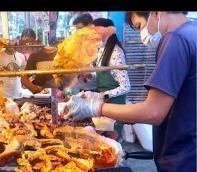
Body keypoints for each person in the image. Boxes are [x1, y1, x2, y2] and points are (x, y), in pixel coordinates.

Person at [61, 12, 196, 171]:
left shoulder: (176, 39)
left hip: (182, 157)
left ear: (156, 13)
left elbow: (153, 112)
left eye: (139, 26)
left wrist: (94, 107)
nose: (141, 36)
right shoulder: (192, 32)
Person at [81, 18, 131, 140]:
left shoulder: (116, 53)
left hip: (116, 104)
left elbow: (126, 86)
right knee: (102, 140)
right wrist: (89, 76)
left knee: (112, 140)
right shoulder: (102, 50)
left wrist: (104, 95)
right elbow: (101, 75)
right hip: (104, 102)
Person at [70, 13, 97, 93]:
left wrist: (89, 74)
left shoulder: (99, 44)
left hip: (95, 90)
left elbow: (104, 73)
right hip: (78, 90)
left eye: (80, 29)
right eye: (77, 30)